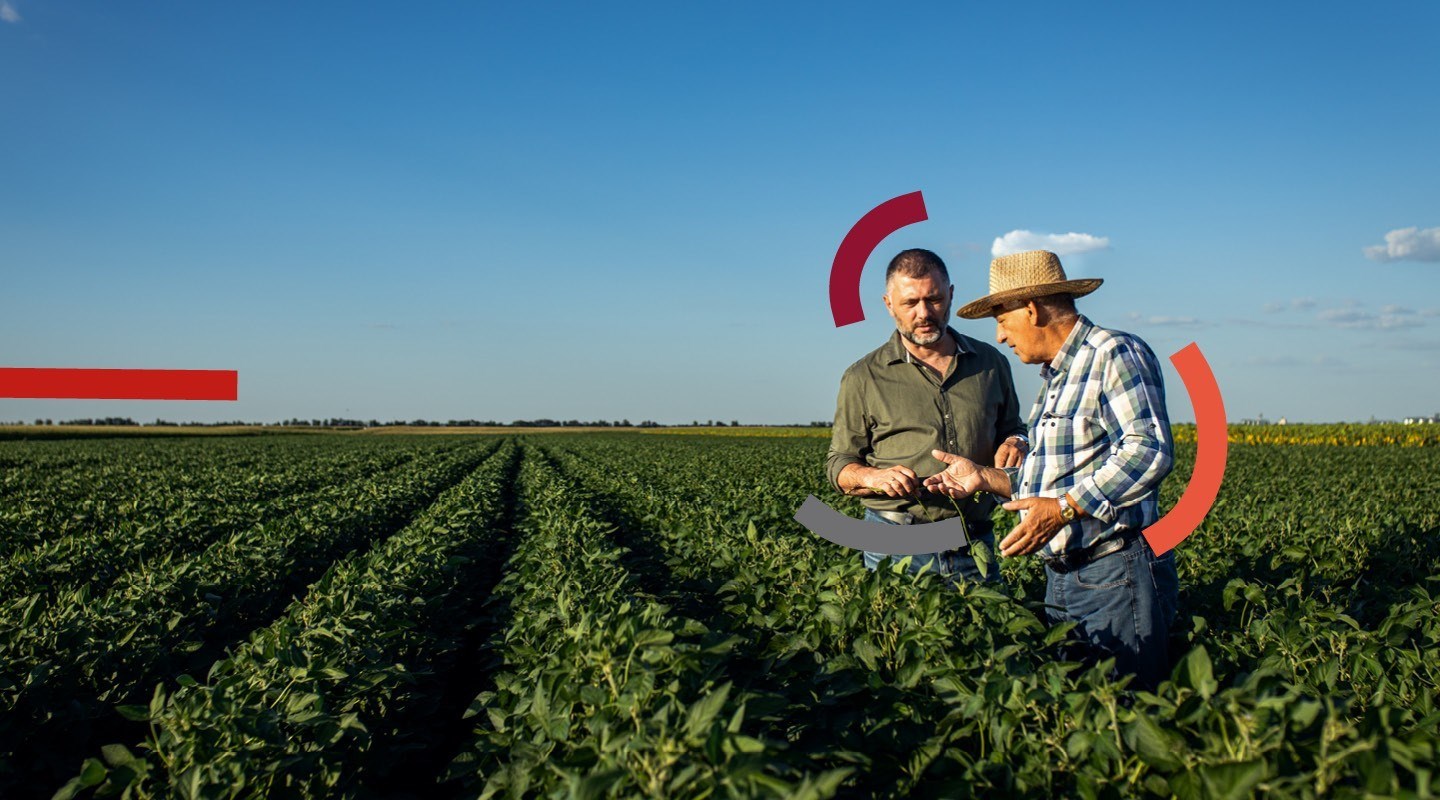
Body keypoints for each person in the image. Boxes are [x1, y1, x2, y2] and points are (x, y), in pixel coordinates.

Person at [923, 249, 1179, 689]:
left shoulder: (1113, 353)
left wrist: (1063, 509)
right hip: (1063, 577)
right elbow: (1056, 477)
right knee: (1080, 708)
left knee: (1126, 711)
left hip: (1114, 573)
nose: (1001, 337)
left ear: (1032, 309)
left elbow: (1149, 449)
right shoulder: (1056, 378)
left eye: (1001, 320)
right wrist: (984, 478)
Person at [826, 248, 1029, 587]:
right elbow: (839, 463)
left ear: (950, 295)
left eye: (934, 299)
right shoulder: (863, 377)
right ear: (889, 304)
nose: (924, 313)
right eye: (910, 303)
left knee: (982, 637)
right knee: (900, 635)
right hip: (896, 539)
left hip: (973, 538)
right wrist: (872, 477)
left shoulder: (991, 363)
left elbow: (1013, 427)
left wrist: (1016, 441)